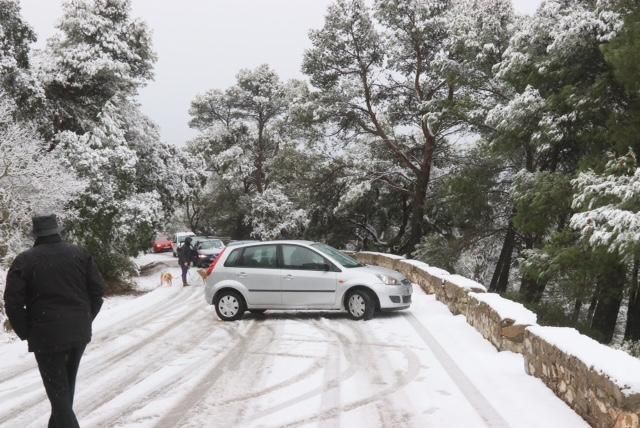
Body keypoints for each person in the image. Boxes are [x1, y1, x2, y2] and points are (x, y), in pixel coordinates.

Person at [3, 214, 104, 428]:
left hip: (45, 334)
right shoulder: (80, 254)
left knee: (59, 395)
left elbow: (12, 301)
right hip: (77, 332)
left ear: (36, 235)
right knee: (64, 391)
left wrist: (27, 330)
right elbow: (97, 292)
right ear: (57, 231)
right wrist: (84, 319)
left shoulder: (25, 260)